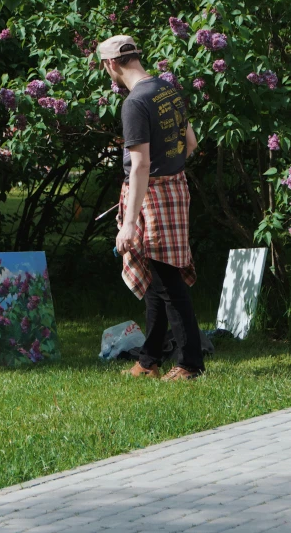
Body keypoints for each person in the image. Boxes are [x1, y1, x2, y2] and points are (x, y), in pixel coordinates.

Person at [98, 34, 204, 381]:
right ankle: (149, 360)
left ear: (111, 64)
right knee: (158, 282)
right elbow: (191, 144)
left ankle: (190, 364)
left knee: (168, 282)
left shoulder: (134, 103)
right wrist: (169, 172)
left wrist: (129, 223)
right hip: (174, 189)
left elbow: (140, 165)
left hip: (151, 196)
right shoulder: (167, 90)